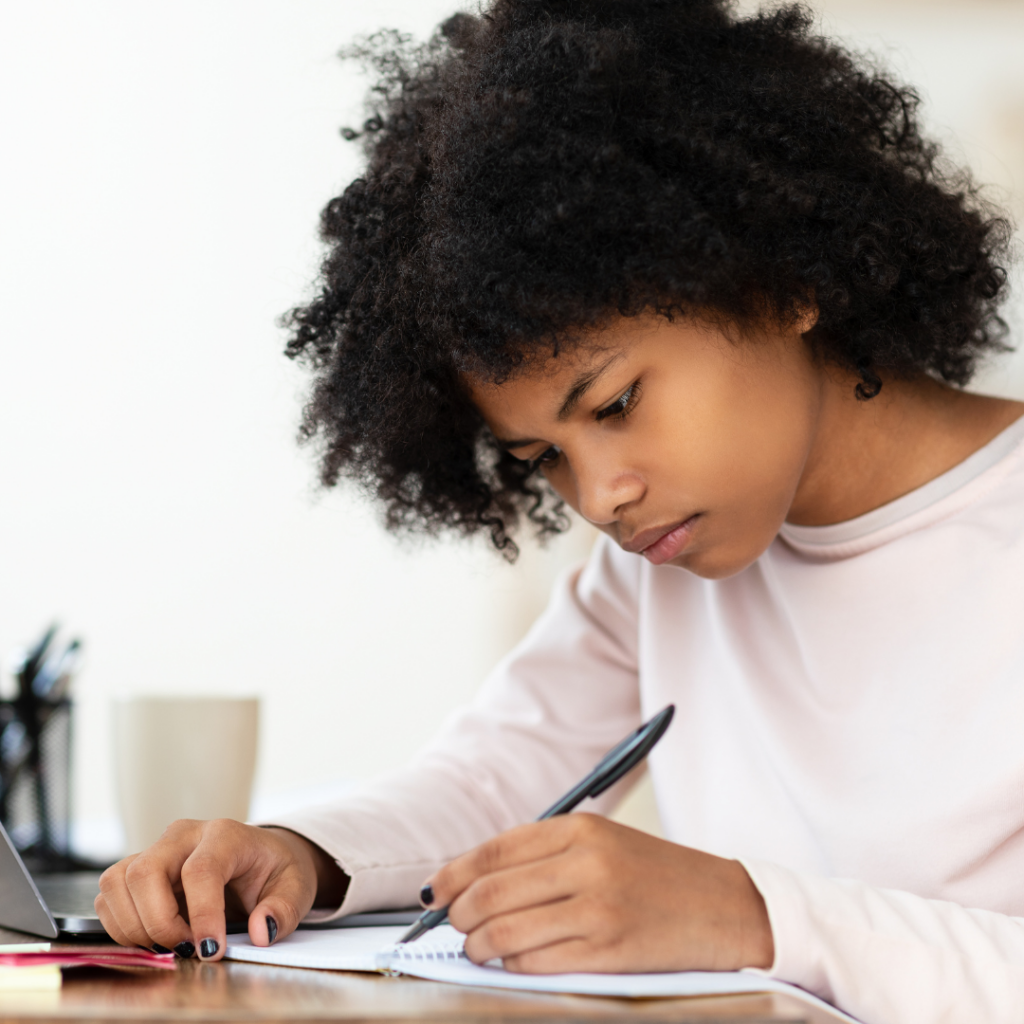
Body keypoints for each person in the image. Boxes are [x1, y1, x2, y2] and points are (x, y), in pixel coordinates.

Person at [95, 1, 1024, 1020]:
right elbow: (495, 781)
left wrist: (754, 917)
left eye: (617, 403)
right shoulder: (655, 565)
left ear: (783, 280)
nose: (601, 496)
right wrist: (293, 856)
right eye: (544, 459)